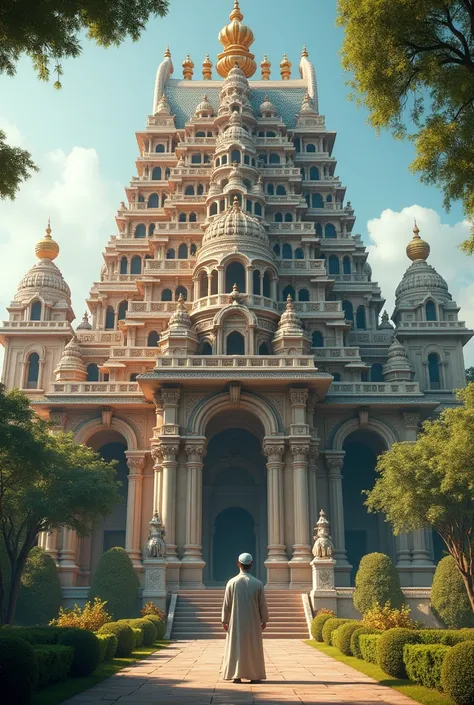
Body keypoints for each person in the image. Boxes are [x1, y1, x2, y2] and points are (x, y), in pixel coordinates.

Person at [221, 552, 269, 684]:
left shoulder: (232, 583)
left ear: (238, 564)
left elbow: (227, 604)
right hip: (253, 622)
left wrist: (225, 620)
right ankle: (254, 675)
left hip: (236, 621)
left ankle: (236, 675)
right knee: (253, 647)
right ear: (251, 565)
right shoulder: (258, 583)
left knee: (236, 647)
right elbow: (262, 604)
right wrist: (264, 619)